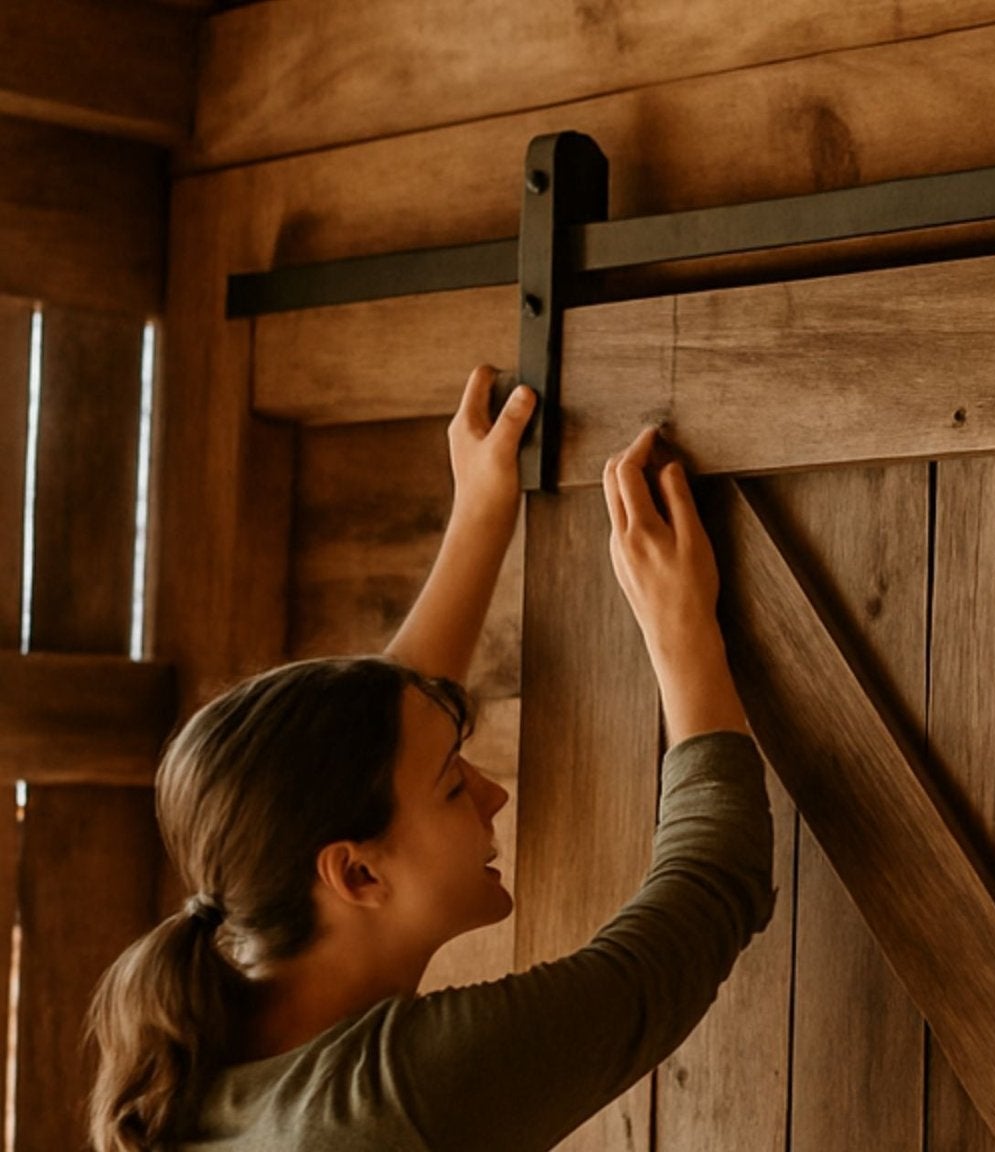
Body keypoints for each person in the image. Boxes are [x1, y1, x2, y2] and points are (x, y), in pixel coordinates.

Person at [88, 367, 774, 1151]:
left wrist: (480, 517)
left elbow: (369, 749)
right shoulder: (396, 1096)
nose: (493, 796)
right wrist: (681, 627)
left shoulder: (207, 1067)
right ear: (357, 874)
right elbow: (709, 896)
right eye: (454, 786)